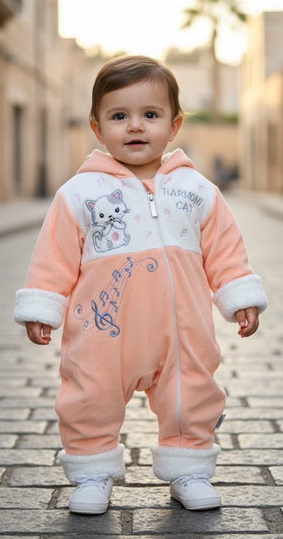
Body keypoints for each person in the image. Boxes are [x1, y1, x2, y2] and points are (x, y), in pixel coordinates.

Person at [14, 55, 267, 515]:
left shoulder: (197, 190)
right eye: (119, 116)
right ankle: (91, 473)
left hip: (182, 328)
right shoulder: (79, 194)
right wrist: (42, 306)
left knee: (191, 392)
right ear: (97, 128)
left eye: (150, 114)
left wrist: (239, 294)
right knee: (90, 394)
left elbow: (226, 249)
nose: (135, 126)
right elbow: (54, 255)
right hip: (103, 331)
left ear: (174, 125)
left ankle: (189, 469)